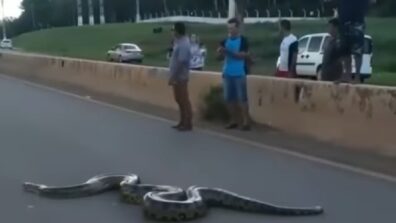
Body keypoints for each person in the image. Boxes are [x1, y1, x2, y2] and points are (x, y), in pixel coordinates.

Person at [217, 18, 251, 131]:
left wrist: (226, 51)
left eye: (232, 28)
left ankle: (246, 122)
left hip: (239, 73)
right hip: (227, 73)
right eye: (229, 28)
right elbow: (219, 58)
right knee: (228, 99)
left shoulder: (243, 40)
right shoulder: (224, 41)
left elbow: (242, 55)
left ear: (237, 28)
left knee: (242, 98)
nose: (230, 30)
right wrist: (220, 53)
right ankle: (234, 120)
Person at [336, 0, 370, 83]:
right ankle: (347, 75)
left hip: (357, 20)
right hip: (344, 20)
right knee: (344, 49)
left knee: (357, 50)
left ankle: (357, 76)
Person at [169, 22, 193, 131]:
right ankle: (182, 121)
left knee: (183, 100)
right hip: (177, 76)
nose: (172, 32)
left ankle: (188, 122)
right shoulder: (178, 42)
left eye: (173, 30)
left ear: (178, 31)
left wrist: (173, 76)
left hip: (180, 76)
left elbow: (181, 62)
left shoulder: (184, 43)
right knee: (178, 99)